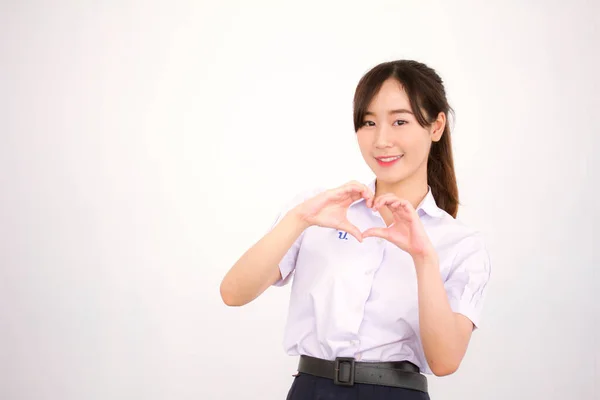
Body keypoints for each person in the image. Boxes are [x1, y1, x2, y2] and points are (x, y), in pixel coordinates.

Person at [220, 59, 492, 400]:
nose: (381, 140)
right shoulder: (320, 211)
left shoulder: (461, 244)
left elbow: (445, 361)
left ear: (436, 126)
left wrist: (424, 258)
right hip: (312, 390)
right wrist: (299, 218)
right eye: (368, 122)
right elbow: (233, 293)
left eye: (400, 121)